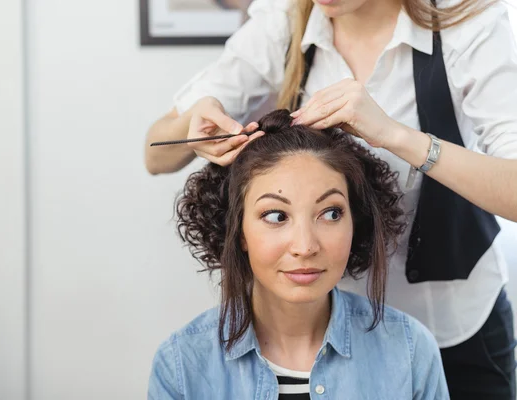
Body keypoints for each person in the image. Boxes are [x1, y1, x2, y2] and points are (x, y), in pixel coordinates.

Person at [144, 0, 517, 397]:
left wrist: (395, 135)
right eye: (275, 215)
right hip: (328, 327)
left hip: (454, 323)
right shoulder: (286, 19)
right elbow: (156, 153)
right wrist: (194, 120)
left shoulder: (465, 22)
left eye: (332, 211)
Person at [148, 110, 449, 399]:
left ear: (355, 221)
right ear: (238, 231)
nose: (305, 247)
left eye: (331, 213)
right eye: (277, 216)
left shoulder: (410, 352)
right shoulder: (181, 365)